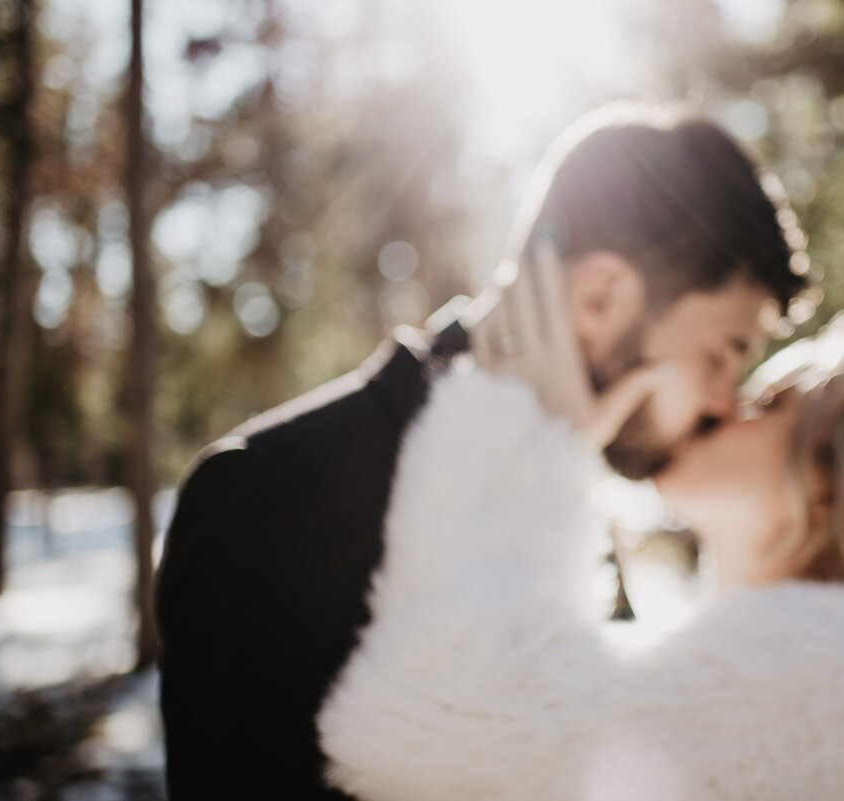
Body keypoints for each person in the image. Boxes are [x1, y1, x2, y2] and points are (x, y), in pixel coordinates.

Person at [154, 102, 803, 800]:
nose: (724, 401)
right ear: (602, 297)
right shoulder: (267, 493)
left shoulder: (571, 484)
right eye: (721, 353)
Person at [315, 247, 844, 800]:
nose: (723, 404)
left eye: (767, 404)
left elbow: (423, 723)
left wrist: (525, 435)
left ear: (829, 481)